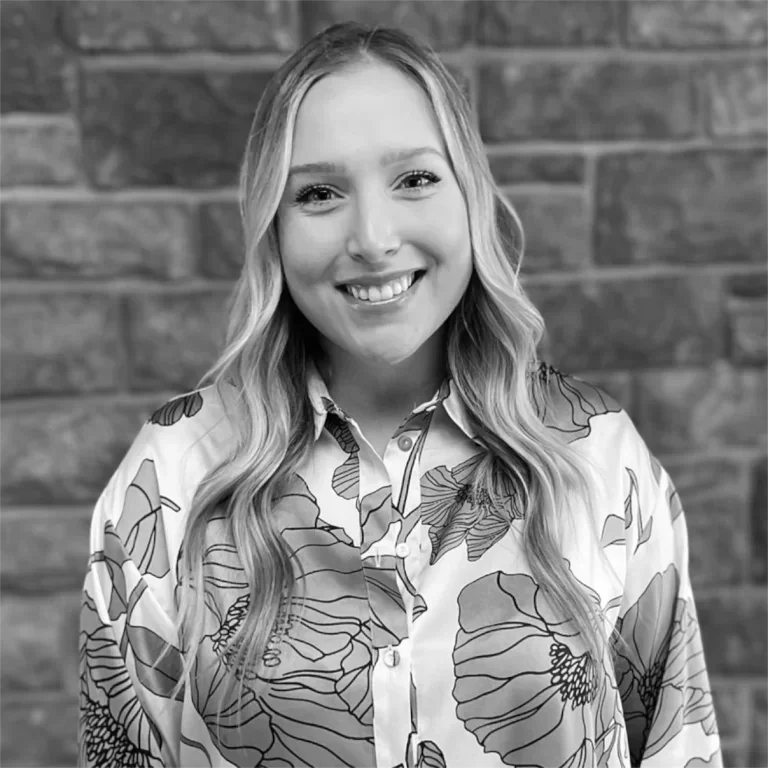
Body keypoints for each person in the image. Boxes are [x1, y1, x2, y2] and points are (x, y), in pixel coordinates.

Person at [77, 21, 722, 768]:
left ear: (469, 196)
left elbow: (680, 747)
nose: (374, 238)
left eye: (414, 179)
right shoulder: (171, 478)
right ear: (273, 229)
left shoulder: (599, 457)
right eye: (318, 193)